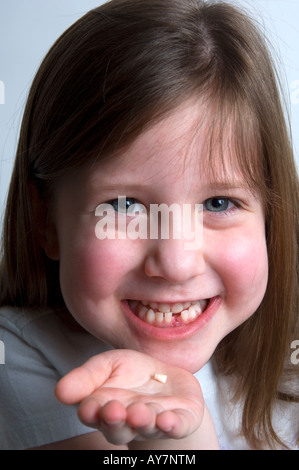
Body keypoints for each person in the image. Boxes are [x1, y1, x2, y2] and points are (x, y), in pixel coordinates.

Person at [0, 0, 298, 450]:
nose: (177, 263)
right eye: (124, 205)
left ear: (271, 218)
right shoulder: (16, 356)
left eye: (219, 202)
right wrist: (176, 436)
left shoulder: (287, 366)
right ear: (46, 221)